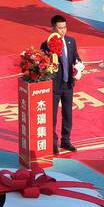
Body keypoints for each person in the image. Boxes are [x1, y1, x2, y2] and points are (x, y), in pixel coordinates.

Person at [41, 14, 82, 153]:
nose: (63, 31)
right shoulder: (46, 44)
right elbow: (44, 64)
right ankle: (53, 143)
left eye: (64, 27)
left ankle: (66, 140)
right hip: (54, 85)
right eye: (60, 28)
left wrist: (78, 66)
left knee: (67, 113)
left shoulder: (71, 41)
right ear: (53, 28)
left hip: (68, 84)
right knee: (52, 115)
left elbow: (75, 57)